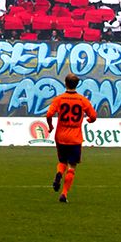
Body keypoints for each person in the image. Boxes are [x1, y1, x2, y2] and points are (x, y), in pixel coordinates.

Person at [45, 73, 98, 204]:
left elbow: (49, 114)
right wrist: (90, 120)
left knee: (62, 161)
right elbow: (93, 116)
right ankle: (64, 194)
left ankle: (59, 174)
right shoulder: (82, 100)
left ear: (65, 83)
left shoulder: (59, 99)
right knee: (72, 166)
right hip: (75, 138)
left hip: (61, 136)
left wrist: (50, 126)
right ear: (77, 85)